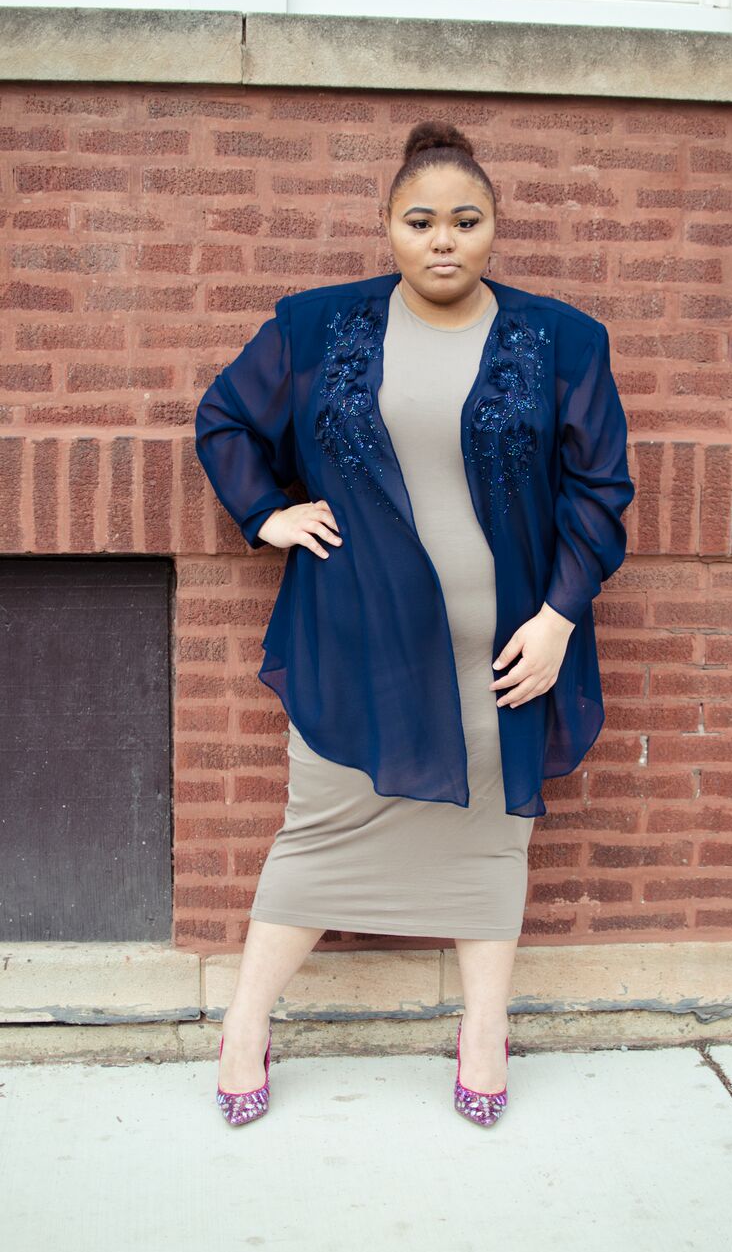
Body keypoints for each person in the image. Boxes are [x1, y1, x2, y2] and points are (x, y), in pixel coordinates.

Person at [195, 119, 635, 1127]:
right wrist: (266, 513)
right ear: (387, 225)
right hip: (360, 640)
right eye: (421, 220)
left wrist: (560, 618)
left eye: (465, 221)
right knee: (319, 825)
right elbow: (224, 419)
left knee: (491, 838)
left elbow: (598, 492)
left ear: (493, 228)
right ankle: (244, 1025)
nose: (444, 240)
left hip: (506, 648)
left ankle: (482, 1032)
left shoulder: (562, 339)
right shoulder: (316, 328)